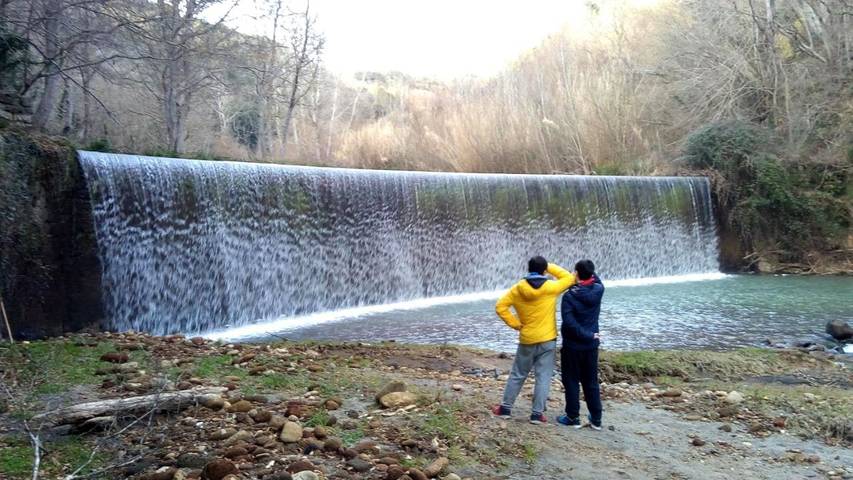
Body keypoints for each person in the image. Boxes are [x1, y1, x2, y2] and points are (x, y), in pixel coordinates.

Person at [492, 256, 576, 424]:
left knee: (518, 374)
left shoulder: (517, 289)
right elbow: (569, 278)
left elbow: (500, 307)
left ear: (528, 269)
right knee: (543, 377)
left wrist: (516, 324)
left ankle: (505, 409)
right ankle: (537, 414)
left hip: (527, 338)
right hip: (548, 339)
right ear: (544, 270)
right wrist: (549, 267)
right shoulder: (551, 287)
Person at [556, 259, 605, 430]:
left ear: (576, 274)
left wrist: (587, 335)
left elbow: (569, 323)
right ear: (592, 274)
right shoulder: (599, 289)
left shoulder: (569, 296)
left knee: (571, 380)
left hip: (573, 346)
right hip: (591, 346)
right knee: (591, 382)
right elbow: (595, 278)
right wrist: (592, 336)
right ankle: (597, 419)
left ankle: (572, 416)